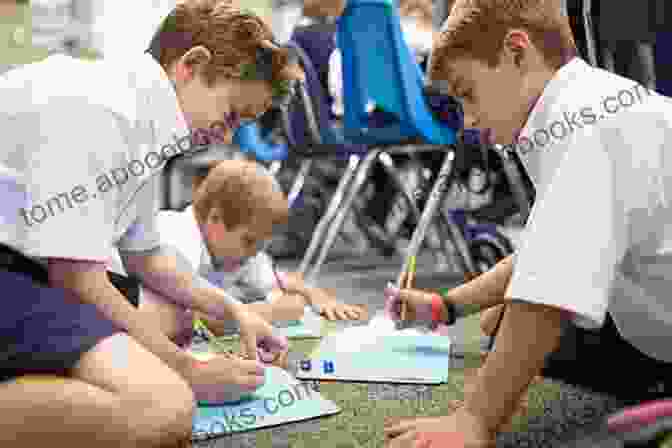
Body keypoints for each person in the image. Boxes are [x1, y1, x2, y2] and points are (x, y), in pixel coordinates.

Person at [0, 1, 302, 446]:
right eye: (232, 114)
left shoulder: (143, 115)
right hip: (18, 270)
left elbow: (145, 255)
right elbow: (76, 277)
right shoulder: (100, 108)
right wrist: (188, 372)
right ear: (191, 66)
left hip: (28, 269)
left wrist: (231, 310)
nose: (227, 135)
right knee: (165, 409)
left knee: (175, 317)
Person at [383, 0, 672, 446]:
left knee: (524, 321)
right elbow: (545, 251)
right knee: (505, 323)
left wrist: (474, 420)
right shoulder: (581, 105)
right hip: (654, 321)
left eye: (468, 94)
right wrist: (446, 307)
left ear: (518, 52)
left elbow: (547, 294)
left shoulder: (584, 122)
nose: (470, 121)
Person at [144, 158, 365, 346]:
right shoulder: (177, 239)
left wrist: (316, 296)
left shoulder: (234, 248)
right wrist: (266, 313)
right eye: (249, 242)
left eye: (260, 247)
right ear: (216, 219)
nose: (253, 254)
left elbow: (278, 278)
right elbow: (180, 320)